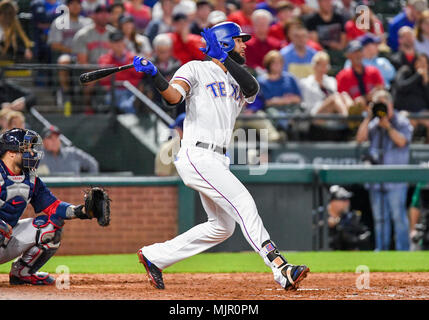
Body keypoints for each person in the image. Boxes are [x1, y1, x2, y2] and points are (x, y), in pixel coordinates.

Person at [133, 21, 309, 290]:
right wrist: (156, 75)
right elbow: (172, 97)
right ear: (226, 42)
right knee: (243, 202)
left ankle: (154, 256)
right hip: (197, 153)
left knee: (221, 227)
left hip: (218, 159)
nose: (245, 44)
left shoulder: (238, 77)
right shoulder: (195, 68)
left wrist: (224, 55)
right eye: (239, 40)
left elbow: (252, 90)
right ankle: (279, 266)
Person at [0, 128, 99, 285]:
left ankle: (22, 273)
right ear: (11, 152)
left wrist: (82, 211)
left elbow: (54, 206)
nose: (32, 153)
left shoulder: (30, 177)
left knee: (51, 226)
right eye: (26, 148)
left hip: (5, 240)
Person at [356, 90, 413, 251]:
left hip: (395, 179)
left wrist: (388, 126)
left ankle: (404, 253)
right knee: (380, 219)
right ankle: (382, 251)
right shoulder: (373, 123)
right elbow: (360, 139)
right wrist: (368, 117)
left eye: (383, 104)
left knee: (398, 218)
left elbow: (402, 141)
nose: (381, 108)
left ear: (391, 104)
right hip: (376, 180)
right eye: (377, 104)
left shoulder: (401, 121)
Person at [47, 0, 92, 108]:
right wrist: (73, 51)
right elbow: (54, 45)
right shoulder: (59, 22)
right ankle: (66, 91)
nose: (76, 6)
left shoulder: (87, 22)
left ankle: (88, 101)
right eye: (72, 3)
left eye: (78, 3)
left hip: (85, 55)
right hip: (67, 54)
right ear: (67, 6)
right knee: (63, 61)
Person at [300, 51, 354, 141]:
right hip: (315, 114)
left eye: (325, 65)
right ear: (314, 66)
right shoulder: (306, 83)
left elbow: (338, 100)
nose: (323, 68)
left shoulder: (331, 81)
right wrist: (327, 103)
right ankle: (349, 119)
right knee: (334, 97)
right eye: (320, 65)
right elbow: (307, 106)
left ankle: (353, 113)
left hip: (333, 112)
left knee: (344, 94)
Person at [72, 4, 116, 112]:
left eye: (107, 12)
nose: (104, 15)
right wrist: (98, 73)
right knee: (90, 82)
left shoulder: (114, 33)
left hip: (109, 70)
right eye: (100, 12)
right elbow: (82, 62)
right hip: (89, 70)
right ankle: (87, 109)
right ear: (93, 15)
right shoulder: (83, 35)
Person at [336, 40, 384, 108]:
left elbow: (381, 88)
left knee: (382, 96)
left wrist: (366, 98)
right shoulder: (343, 76)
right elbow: (342, 97)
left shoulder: (373, 71)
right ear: (348, 55)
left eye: (360, 51)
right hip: (355, 112)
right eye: (354, 52)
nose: (358, 54)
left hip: (375, 108)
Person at [392, 53, 429, 142]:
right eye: (419, 61)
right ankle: (407, 151)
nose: (422, 65)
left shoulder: (426, 79)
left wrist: (426, 84)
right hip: (404, 111)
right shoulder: (405, 71)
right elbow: (401, 87)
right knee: (408, 121)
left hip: (422, 113)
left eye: (424, 63)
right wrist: (417, 76)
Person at [327, 185, 371, 250]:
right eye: (343, 199)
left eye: (347, 199)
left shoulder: (351, 217)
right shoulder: (319, 217)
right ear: (333, 202)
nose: (347, 202)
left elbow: (365, 235)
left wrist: (353, 238)